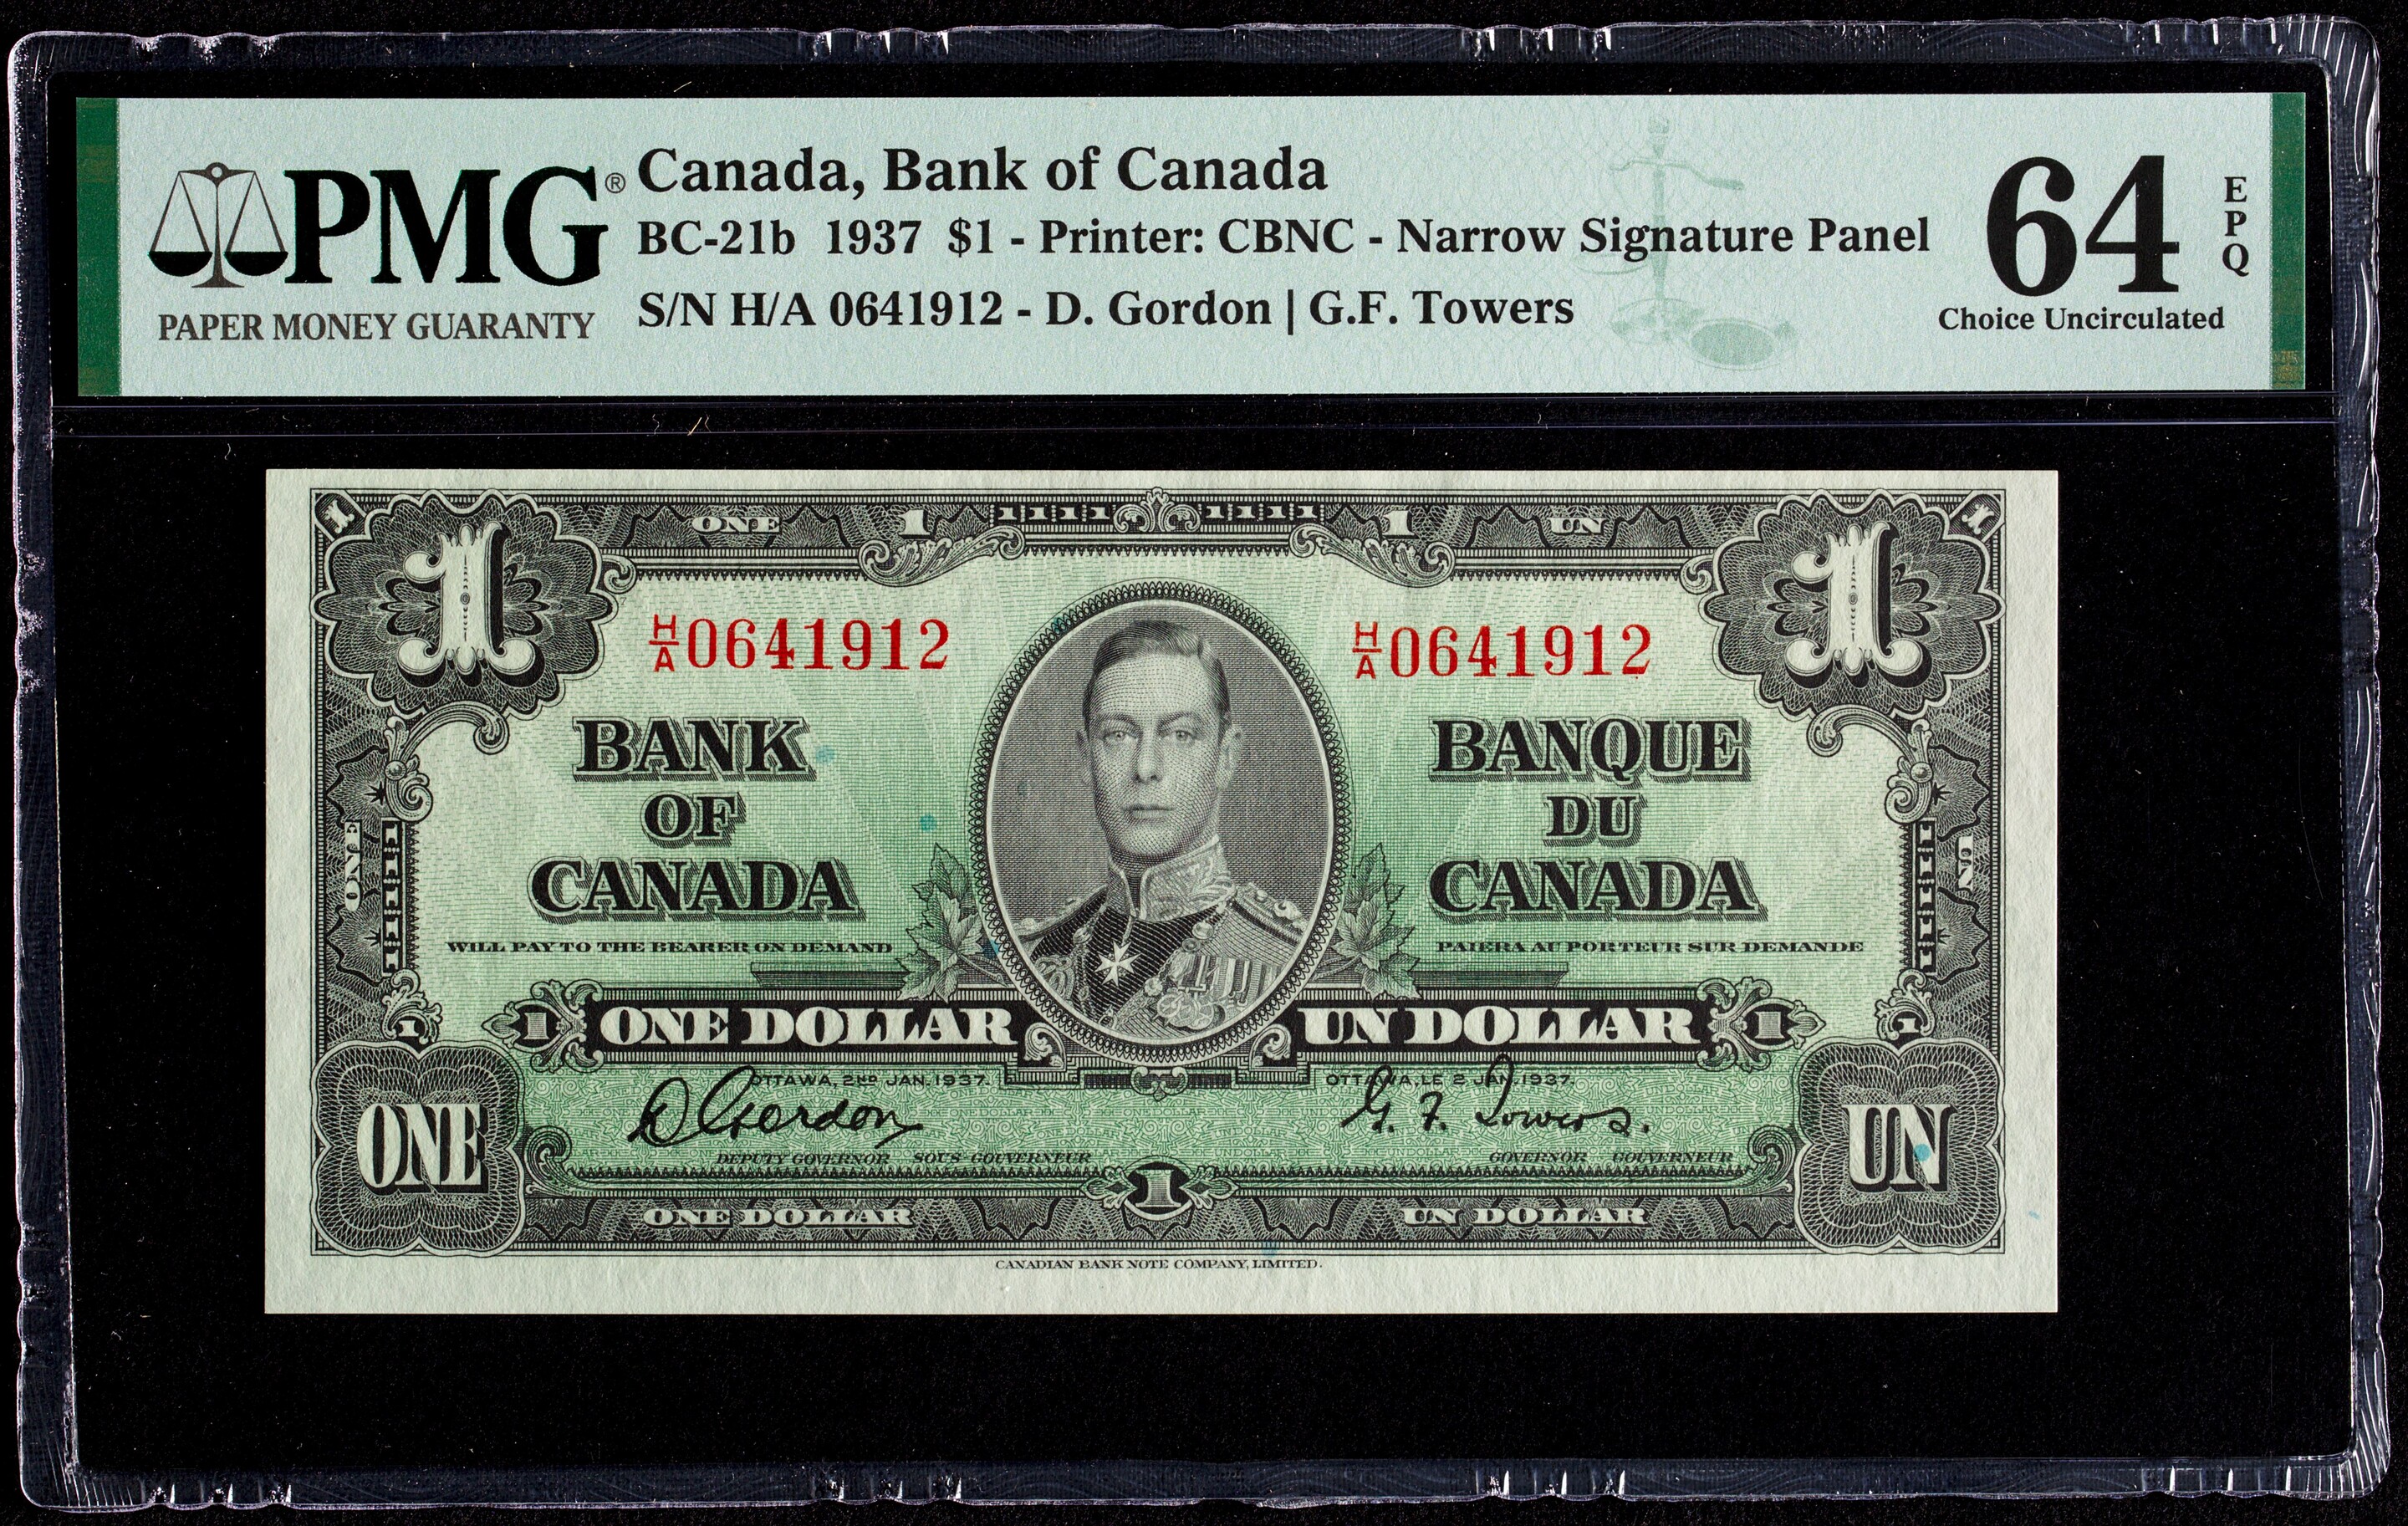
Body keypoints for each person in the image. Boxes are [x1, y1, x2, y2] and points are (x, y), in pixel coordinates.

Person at [1016, 618, 1309, 1040]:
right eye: (1118, 735)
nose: (1146, 767)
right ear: (1086, 759)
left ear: (1226, 758)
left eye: (1180, 735)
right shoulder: (1032, 952)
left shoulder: (1291, 957)